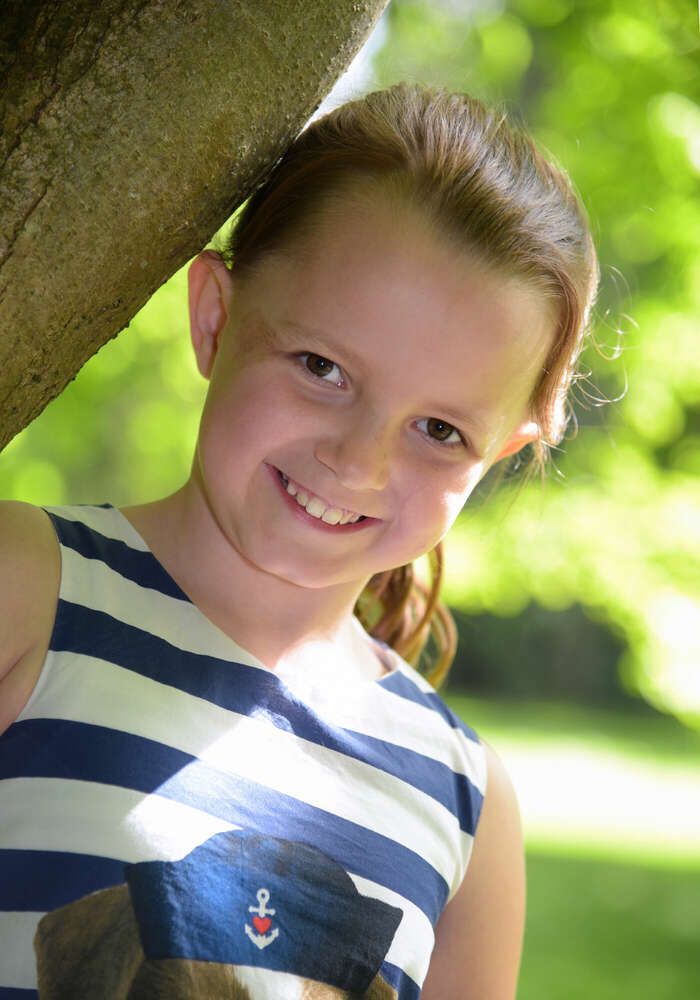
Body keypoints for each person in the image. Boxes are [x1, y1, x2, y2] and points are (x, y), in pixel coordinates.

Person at [0, 83, 598, 999]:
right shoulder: (30, 593)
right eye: (323, 368)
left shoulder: (463, 804)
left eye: (439, 431)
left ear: (500, 457)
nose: (357, 462)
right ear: (213, 317)